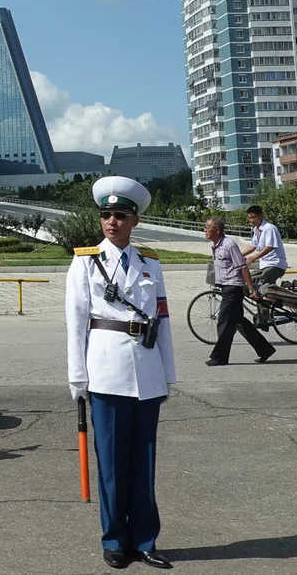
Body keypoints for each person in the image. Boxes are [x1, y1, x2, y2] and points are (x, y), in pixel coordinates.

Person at [65, 176, 175, 570]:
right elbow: (76, 322)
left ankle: (145, 540)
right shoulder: (84, 261)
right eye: (106, 214)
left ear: (135, 220)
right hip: (106, 373)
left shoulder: (151, 264)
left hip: (146, 373)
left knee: (144, 462)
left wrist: (168, 373)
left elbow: (162, 318)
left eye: (120, 215)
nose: (111, 221)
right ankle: (114, 539)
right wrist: (77, 378)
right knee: (111, 462)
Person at [204, 216, 275, 368]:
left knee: (223, 322)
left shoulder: (229, 244)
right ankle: (265, 349)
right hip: (226, 287)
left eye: (207, 228)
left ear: (217, 230)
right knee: (239, 322)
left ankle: (220, 357)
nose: (205, 231)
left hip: (233, 288)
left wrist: (250, 289)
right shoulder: (216, 245)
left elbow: (242, 267)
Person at [242, 205, 287, 287]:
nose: (251, 220)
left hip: (274, 264)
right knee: (249, 280)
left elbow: (269, 247)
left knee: (263, 286)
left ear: (260, 216)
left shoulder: (269, 228)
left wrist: (253, 258)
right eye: (249, 218)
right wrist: (240, 255)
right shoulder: (256, 230)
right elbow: (252, 246)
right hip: (264, 264)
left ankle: (280, 295)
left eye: (253, 217)